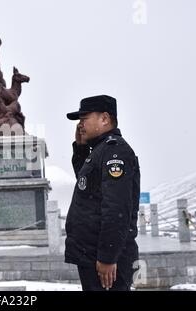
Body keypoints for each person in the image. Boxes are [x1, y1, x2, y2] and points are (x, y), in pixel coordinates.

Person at [64, 95, 140, 291]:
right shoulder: (99, 150)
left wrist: (108, 256)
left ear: (105, 119)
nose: (80, 125)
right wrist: (81, 149)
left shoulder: (115, 152)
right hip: (92, 255)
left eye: (84, 119)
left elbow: (116, 209)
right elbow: (86, 187)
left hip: (106, 260)